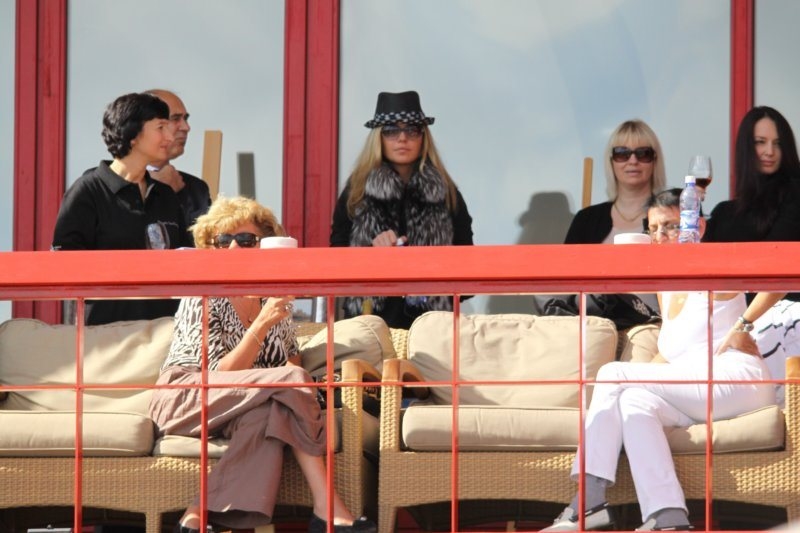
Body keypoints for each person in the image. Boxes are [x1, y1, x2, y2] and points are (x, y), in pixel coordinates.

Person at [540, 188, 778, 532]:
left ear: (697, 226)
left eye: (669, 226)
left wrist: (744, 324)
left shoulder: (712, 264)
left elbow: (781, 275)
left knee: (613, 373)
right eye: (653, 229)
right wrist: (628, 384)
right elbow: (668, 355)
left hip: (737, 380)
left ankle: (587, 500)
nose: (660, 236)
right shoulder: (666, 287)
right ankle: (667, 516)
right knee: (634, 402)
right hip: (695, 389)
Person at [150, 196, 376, 533]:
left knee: (271, 413)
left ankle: (194, 517)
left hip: (241, 406)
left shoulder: (273, 299)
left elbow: (291, 363)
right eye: (223, 240)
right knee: (288, 383)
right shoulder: (203, 294)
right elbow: (217, 376)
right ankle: (327, 508)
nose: (234, 248)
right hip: (185, 397)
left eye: (245, 240)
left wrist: (293, 374)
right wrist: (262, 324)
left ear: (265, 245)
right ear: (211, 247)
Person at [330, 90, 473, 329]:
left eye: (412, 130)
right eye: (391, 130)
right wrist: (371, 253)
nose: (402, 138)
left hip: (432, 327)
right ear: (378, 137)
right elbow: (335, 262)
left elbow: (469, 268)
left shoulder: (447, 192)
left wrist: (430, 267)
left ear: (423, 137)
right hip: (369, 324)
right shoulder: (356, 191)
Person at [52, 92, 191, 325]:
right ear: (133, 134)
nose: (169, 136)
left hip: (166, 334)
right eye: (160, 127)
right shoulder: (88, 191)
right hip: (105, 336)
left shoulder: (166, 195)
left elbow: (186, 259)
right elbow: (62, 265)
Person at [704, 105, 800, 406]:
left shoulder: (796, 194)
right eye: (760, 142)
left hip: (780, 317)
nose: (769, 151)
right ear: (747, 147)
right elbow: (705, 279)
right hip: (730, 325)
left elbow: (777, 266)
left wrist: (742, 324)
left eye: (777, 143)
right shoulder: (723, 213)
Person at [565, 119, 667, 244]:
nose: (633, 161)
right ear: (611, 161)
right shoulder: (585, 220)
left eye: (643, 153)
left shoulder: (672, 217)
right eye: (622, 153)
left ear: (655, 160)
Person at [146, 89, 212, 228]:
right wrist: (156, 189)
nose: (186, 127)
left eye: (185, 118)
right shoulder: (108, 183)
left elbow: (201, 238)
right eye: (175, 119)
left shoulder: (197, 190)